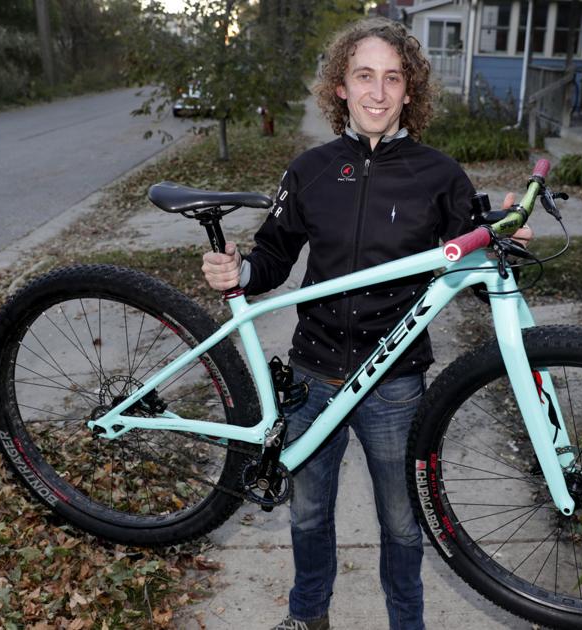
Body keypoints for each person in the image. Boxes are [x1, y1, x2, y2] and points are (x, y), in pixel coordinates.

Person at [202, 17, 530, 630]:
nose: (378, 92)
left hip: (395, 382)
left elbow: (479, 266)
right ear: (341, 88)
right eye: (364, 76)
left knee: (403, 523)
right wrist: (238, 271)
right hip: (312, 375)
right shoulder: (310, 169)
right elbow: (273, 255)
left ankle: (407, 624)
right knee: (307, 514)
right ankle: (308, 616)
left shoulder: (439, 174)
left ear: (409, 92)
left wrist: (505, 244)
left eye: (392, 78)